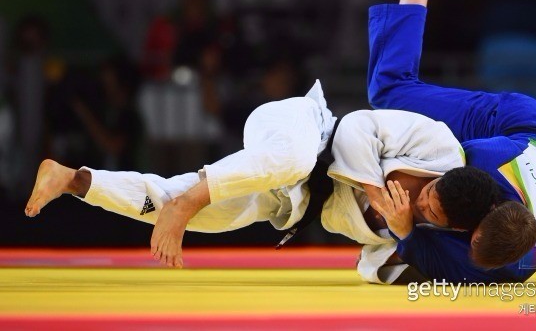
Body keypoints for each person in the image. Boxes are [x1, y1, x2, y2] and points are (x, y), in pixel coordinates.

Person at [24, 73, 500, 283]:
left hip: (290, 200)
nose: (418, 205)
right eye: (427, 195)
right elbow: (357, 126)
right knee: (285, 163)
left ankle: (71, 180)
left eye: (429, 214)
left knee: (197, 211)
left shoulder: (419, 232)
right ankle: (186, 203)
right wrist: (375, 190)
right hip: (301, 131)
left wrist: (402, 232)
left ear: (450, 226)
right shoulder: (439, 146)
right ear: (443, 176)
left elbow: (370, 268)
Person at [359, 0, 536, 283]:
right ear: (492, 206)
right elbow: (436, 181)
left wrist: (406, 232)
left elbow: (443, 260)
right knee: (390, 91)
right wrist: (403, 225)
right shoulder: (484, 161)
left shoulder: (506, 264)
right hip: (522, 124)